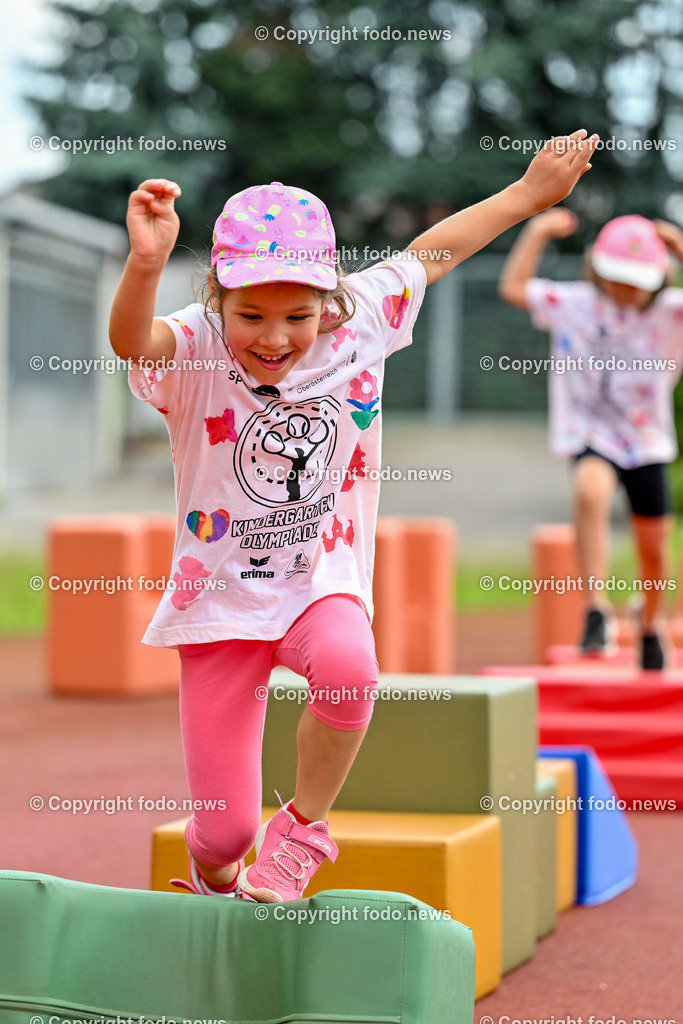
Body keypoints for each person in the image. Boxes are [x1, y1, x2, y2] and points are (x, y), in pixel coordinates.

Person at [109, 129, 598, 901]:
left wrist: (529, 196)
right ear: (216, 299)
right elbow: (133, 339)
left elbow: (435, 250)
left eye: (297, 316)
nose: (274, 338)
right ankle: (220, 872)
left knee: (349, 670)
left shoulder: (362, 317)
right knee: (224, 831)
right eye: (251, 316)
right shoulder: (197, 347)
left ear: (329, 298)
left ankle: (302, 830)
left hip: (319, 578)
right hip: (218, 603)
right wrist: (144, 262)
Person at [499, 209, 683, 670]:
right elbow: (514, 288)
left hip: (645, 440)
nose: (627, 290)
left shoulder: (668, 311)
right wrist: (537, 230)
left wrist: (678, 246)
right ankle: (596, 608)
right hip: (592, 433)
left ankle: (650, 621)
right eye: (618, 278)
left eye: (637, 280)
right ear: (597, 270)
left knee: (654, 549)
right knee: (589, 489)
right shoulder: (575, 303)